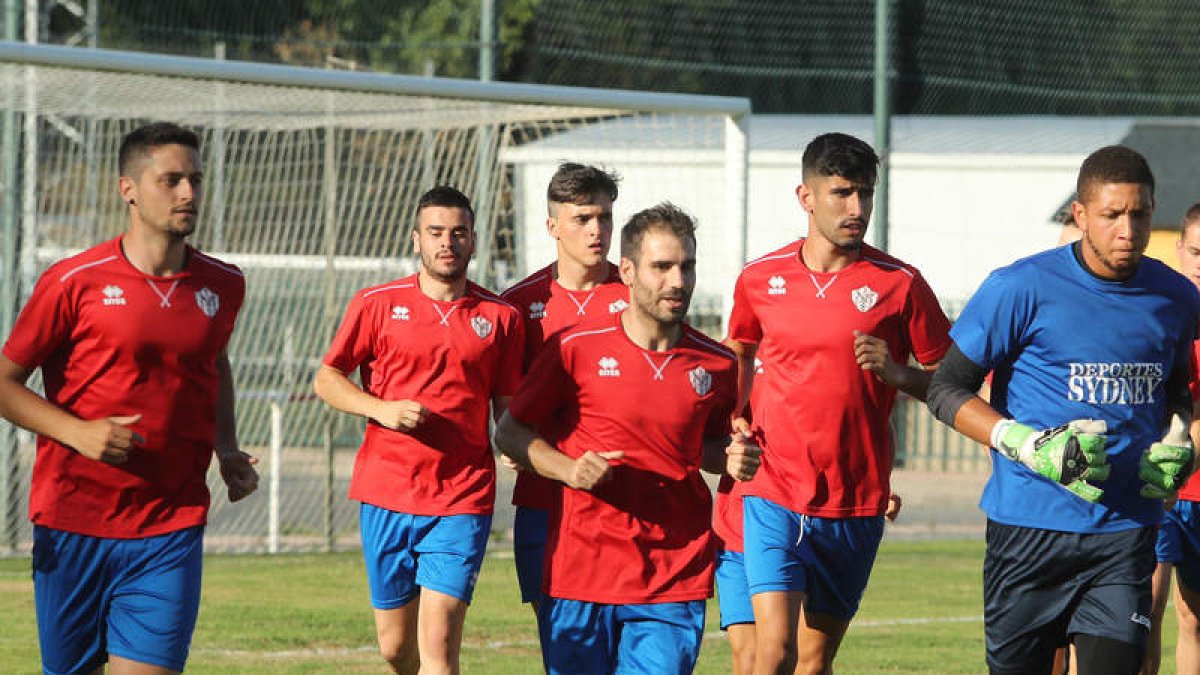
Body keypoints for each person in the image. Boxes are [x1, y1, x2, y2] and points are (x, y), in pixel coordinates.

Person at [926, 146, 1199, 675]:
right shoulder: (1019, 288)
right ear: (1080, 215)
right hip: (1028, 531)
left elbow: (1177, 388)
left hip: (1124, 532)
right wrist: (1030, 446)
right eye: (1112, 215)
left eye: (1139, 214)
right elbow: (946, 389)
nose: (1128, 230)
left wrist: (1179, 436)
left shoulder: (1176, 297)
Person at [0, 121, 258, 675]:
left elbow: (213, 362)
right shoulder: (74, 281)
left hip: (171, 523)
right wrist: (78, 432)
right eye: (171, 180)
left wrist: (227, 446)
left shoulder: (224, 285)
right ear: (130, 190)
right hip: (74, 520)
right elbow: (4, 382)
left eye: (195, 179)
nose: (188, 193)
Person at [493, 203, 762, 674]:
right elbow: (511, 433)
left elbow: (706, 447)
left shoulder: (717, 365)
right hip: (581, 570)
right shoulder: (574, 348)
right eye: (662, 267)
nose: (678, 281)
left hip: (672, 575)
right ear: (629, 272)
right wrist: (570, 470)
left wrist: (732, 457)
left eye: (687, 266)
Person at [724, 131, 952, 675]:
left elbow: (948, 382)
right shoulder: (759, 280)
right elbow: (737, 349)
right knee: (770, 652)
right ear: (806, 197)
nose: (858, 209)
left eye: (866, 194)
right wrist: (731, 417)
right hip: (773, 491)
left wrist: (896, 373)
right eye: (842, 193)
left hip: (855, 499)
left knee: (813, 659)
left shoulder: (900, 284)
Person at [312, 186, 524, 675]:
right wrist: (380, 409)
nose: (447, 242)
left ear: (473, 241)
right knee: (394, 647)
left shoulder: (502, 318)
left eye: (458, 233)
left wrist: (514, 442)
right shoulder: (376, 304)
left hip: (462, 497)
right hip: (386, 492)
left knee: (440, 643)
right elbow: (328, 378)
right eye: (436, 233)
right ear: (416, 240)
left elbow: (506, 407)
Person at [498, 162, 626, 619]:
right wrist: (511, 442)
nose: (597, 230)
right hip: (545, 500)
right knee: (564, 646)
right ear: (553, 226)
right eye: (583, 219)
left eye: (605, 217)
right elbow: (506, 401)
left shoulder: (638, 297)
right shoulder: (517, 305)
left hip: (624, 500)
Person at [1142, 203, 1200, 675]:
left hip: (1197, 487)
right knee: (1144, 612)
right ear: (1180, 250)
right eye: (1196, 251)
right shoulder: (1158, 311)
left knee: (1194, 616)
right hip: (1153, 487)